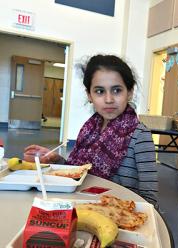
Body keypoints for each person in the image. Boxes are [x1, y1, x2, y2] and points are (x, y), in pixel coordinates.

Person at [24, 55, 158, 206]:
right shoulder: (89, 129)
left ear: (130, 92)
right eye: (100, 91)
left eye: (117, 90)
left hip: (120, 214)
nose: (108, 99)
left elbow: (149, 198)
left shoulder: (140, 135)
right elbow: (79, 173)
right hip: (80, 204)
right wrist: (57, 160)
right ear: (89, 95)